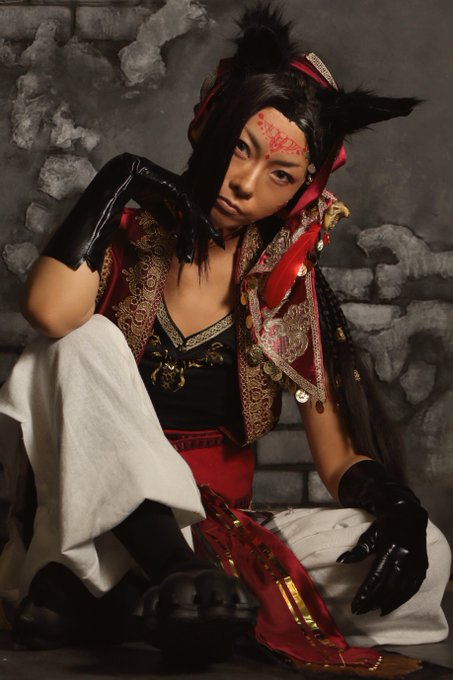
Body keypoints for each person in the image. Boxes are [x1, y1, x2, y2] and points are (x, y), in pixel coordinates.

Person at [0, 4, 450, 676]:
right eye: (241, 147)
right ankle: (164, 581)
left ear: (301, 194)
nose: (244, 183)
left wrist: (397, 507)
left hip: (214, 540)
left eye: (280, 175)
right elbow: (46, 312)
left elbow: (334, 458)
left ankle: (136, 603)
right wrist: (122, 175)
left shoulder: (288, 289)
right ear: (206, 124)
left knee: (431, 555)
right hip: (90, 525)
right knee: (72, 346)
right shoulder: (124, 240)